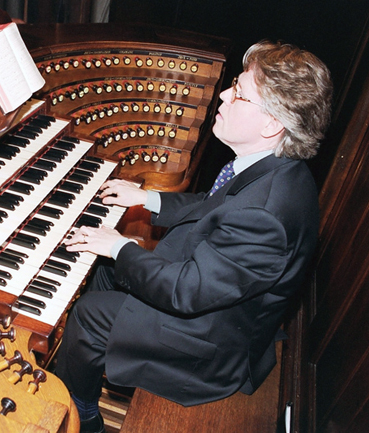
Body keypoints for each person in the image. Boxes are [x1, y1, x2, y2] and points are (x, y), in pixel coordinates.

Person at [55, 40, 333, 433]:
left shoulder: (265, 215)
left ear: (272, 124)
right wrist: (149, 199)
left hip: (212, 344)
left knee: (90, 315)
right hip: (214, 294)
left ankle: (82, 412)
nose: (223, 94)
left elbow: (187, 291)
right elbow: (214, 205)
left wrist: (120, 245)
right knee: (102, 271)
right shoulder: (272, 166)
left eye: (238, 93)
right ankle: (78, 357)